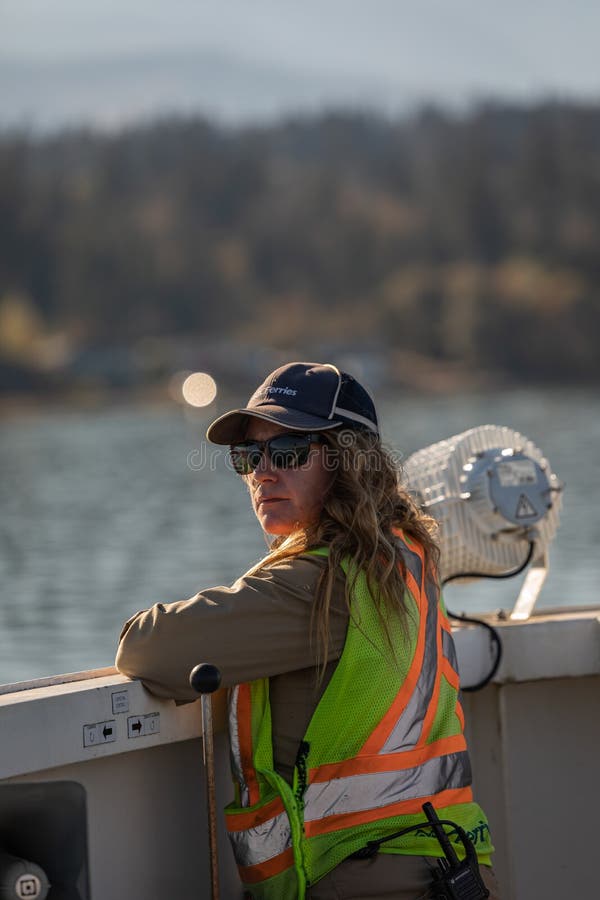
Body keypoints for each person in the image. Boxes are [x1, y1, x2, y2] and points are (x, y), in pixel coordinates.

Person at [116, 361, 499, 900]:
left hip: (368, 879)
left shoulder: (322, 580)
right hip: (451, 871)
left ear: (349, 464)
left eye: (289, 452)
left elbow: (148, 647)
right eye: (248, 456)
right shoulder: (403, 557)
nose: (263, 472)